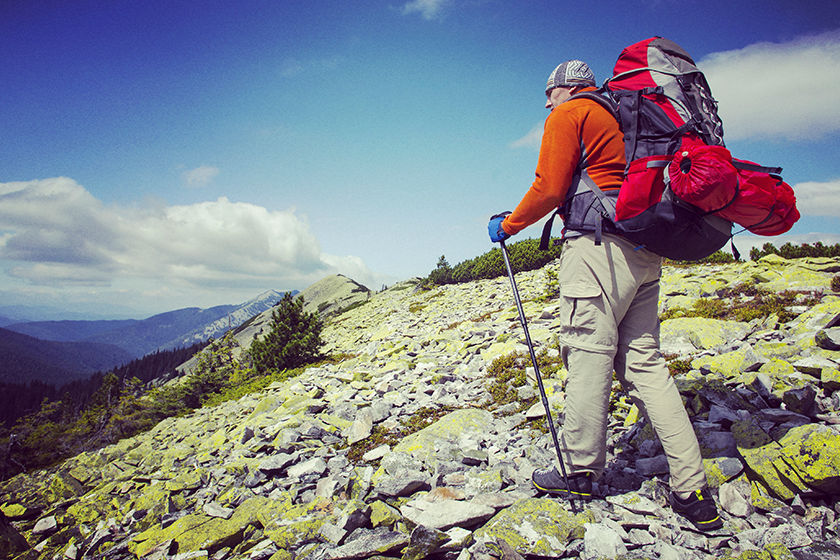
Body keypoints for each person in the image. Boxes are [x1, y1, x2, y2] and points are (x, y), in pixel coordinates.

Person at [488, 60, 722, 532]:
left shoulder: (570, 113)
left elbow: (550, 187)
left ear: (566, 88)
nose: (546, 103)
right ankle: (692, 488)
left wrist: (508, 225)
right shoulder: (626, 110)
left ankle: (580, 473)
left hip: (596, 250)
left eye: (548, 93)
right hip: (644, 249)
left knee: (588, 355)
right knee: (645, 364)